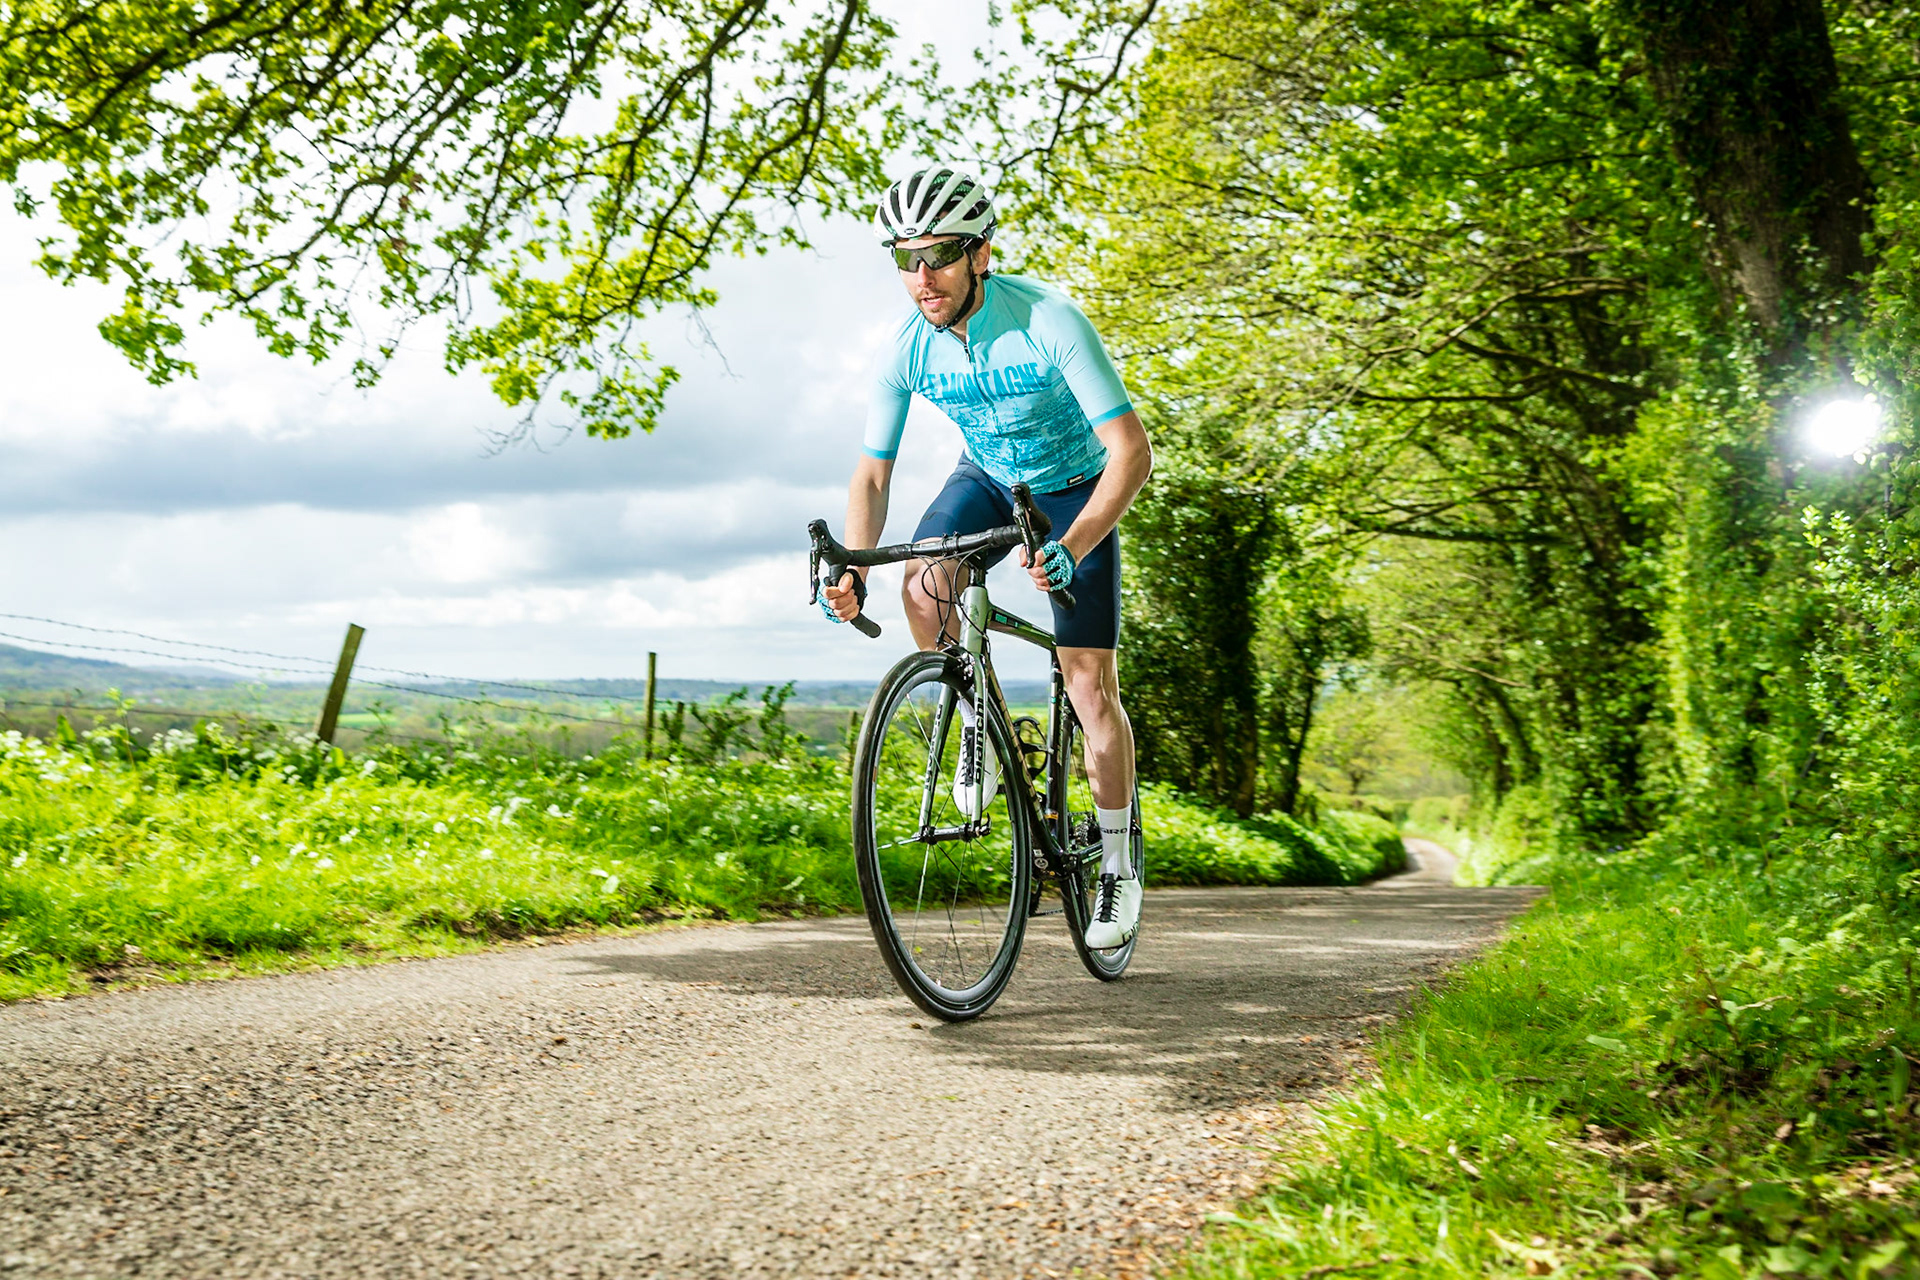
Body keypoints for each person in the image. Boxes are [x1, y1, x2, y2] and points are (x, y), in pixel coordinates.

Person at [820, 164, 1152, 950]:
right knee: (924, 586)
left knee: (1088, 684)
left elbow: (1131, 452)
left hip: (1075, 488)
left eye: (939, 255)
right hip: (989, 479)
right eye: (906, 259)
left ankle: (1116, 866)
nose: (923, 277)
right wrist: (853, 563)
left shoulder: (1048, 319)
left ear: (981, 254)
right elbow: (872, 474)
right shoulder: (907, 348)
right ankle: (981, 727)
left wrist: (1072, 546)